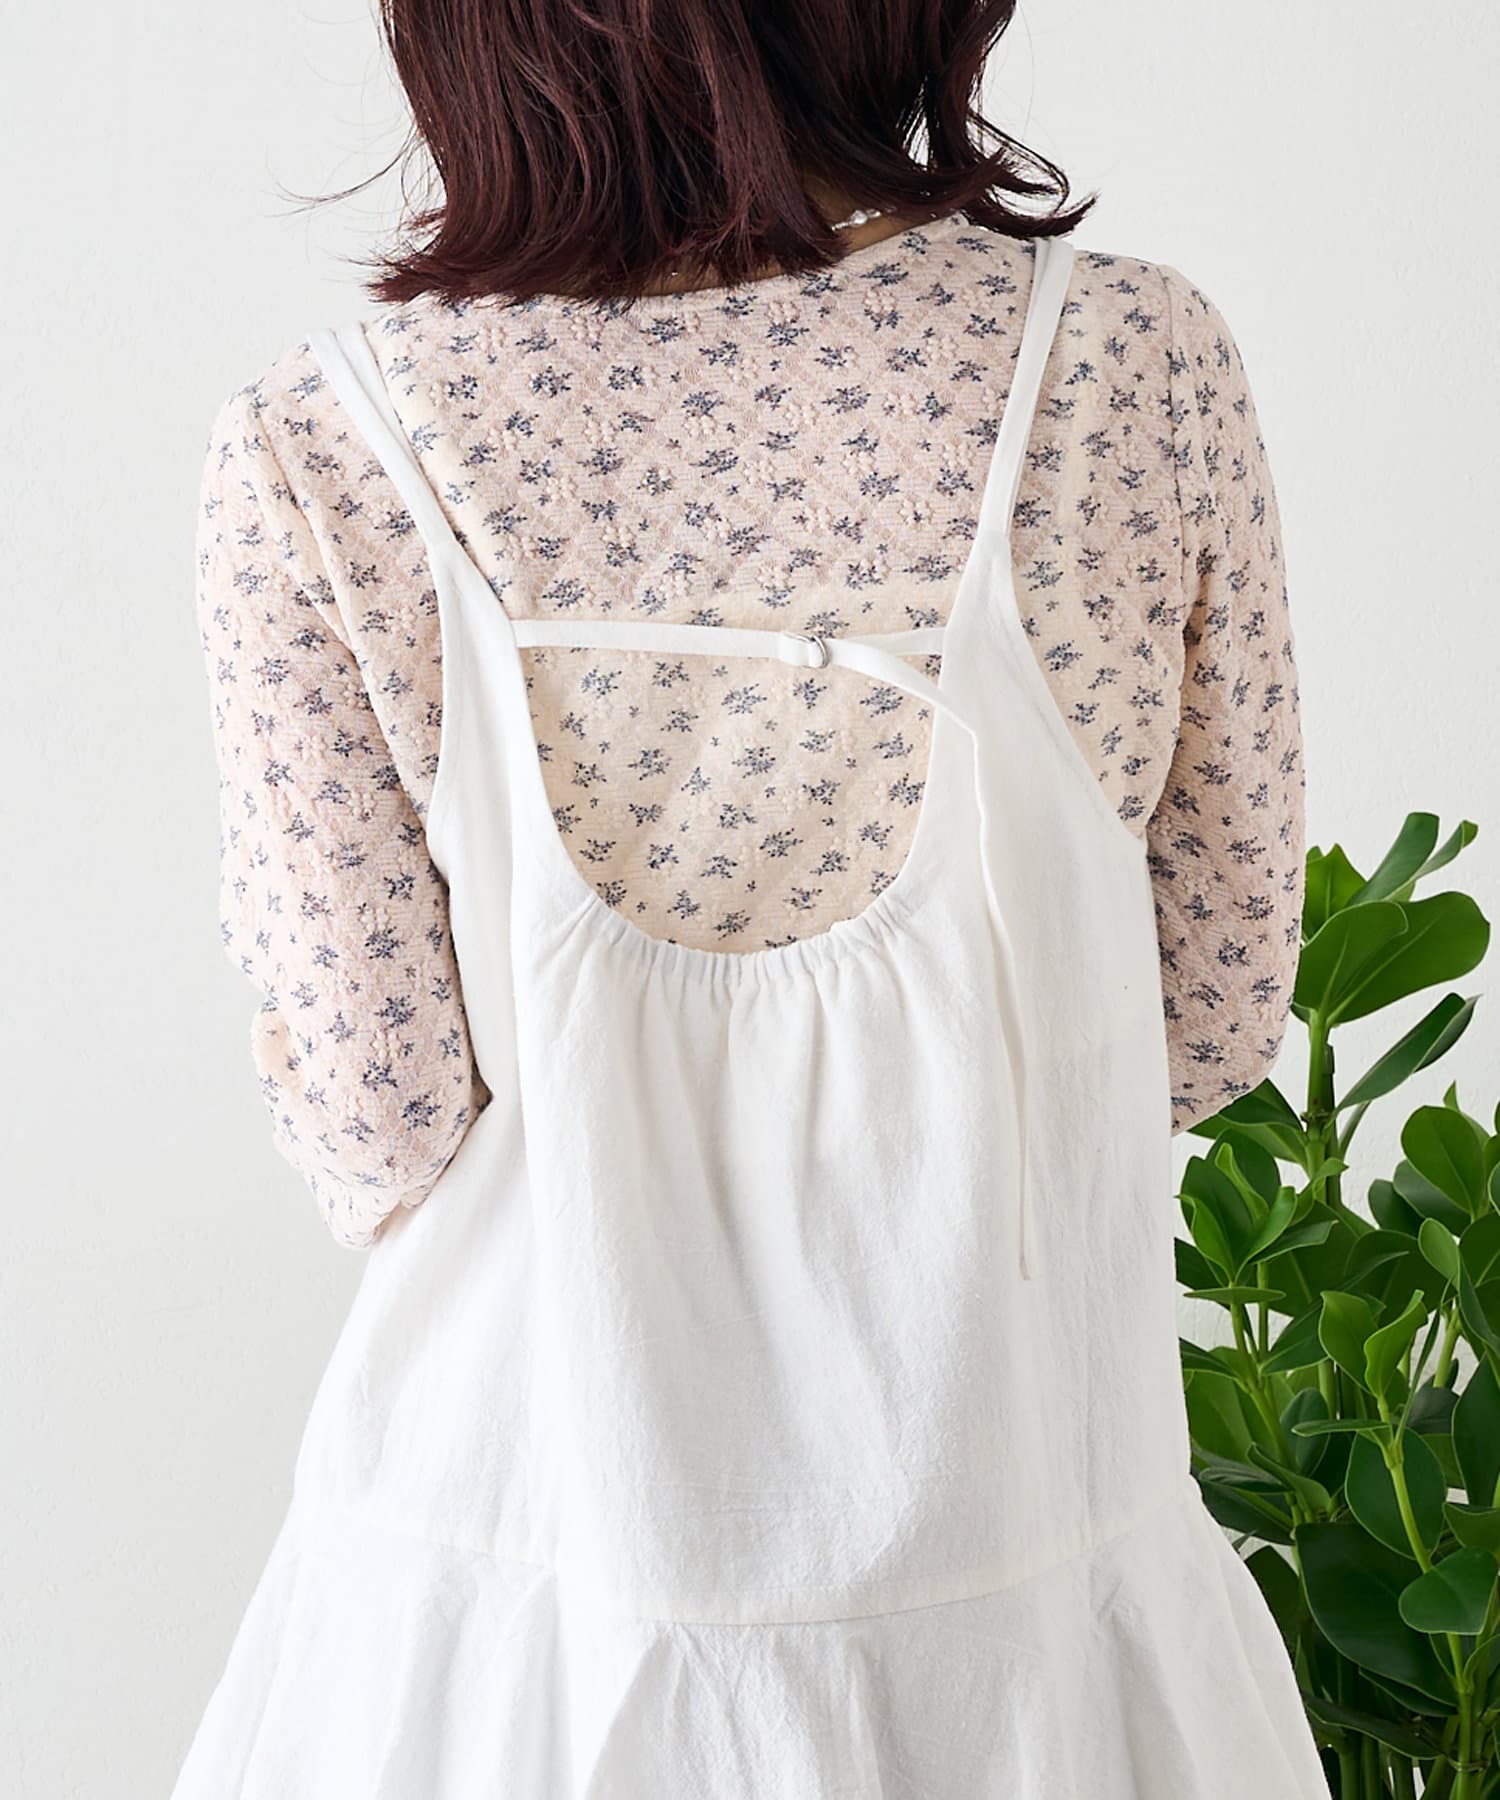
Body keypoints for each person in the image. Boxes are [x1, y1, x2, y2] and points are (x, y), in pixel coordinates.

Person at [175, 1, 1325, 1793]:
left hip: (519, 1631)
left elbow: (377, 1127)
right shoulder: (1129, 364)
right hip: (1031, 1599)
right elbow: (1215, 1013)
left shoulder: (321, 446)